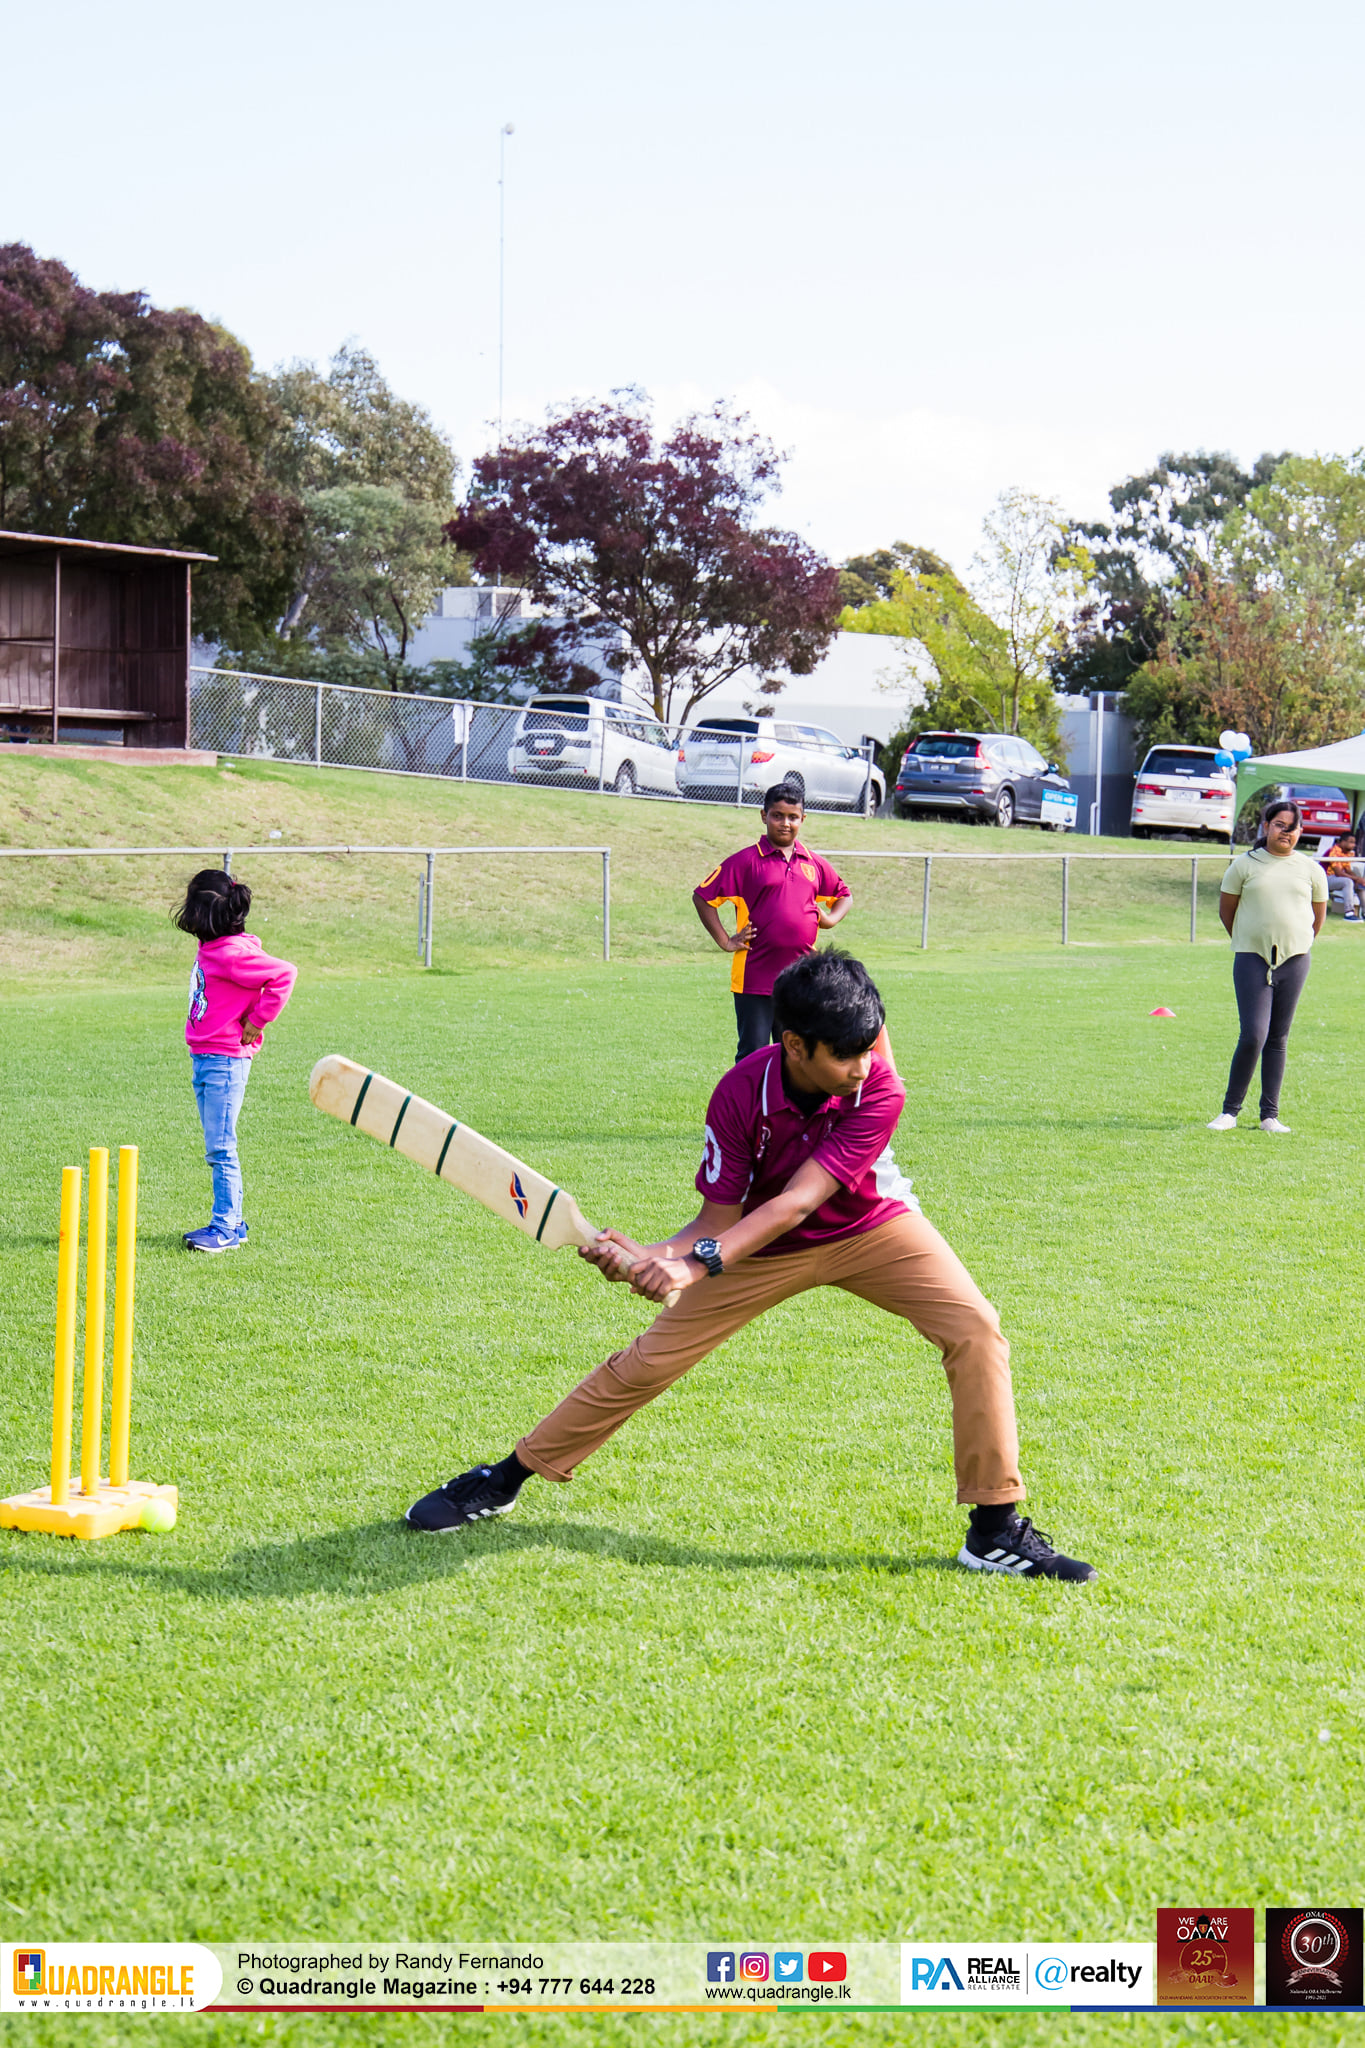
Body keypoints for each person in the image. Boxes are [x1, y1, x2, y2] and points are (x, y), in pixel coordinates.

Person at [407, 949, 1096, 1582]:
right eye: (845, 1054)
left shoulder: (878, 1086)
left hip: (870, 1227)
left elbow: (798, 1201)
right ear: (793, 1045)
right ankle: (504, 1477)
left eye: (869, 1044)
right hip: (758, 1250)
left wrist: (690, 1266)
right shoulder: (738, 1095)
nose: (863, 1065)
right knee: (644, 1364)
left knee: (976, 1328)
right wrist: (651, 1256)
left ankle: (993, 1527)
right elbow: (717, 1222)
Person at [173, 870, 298, 1252]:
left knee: (221, 1146)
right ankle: (234, 1222)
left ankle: (225, 1226)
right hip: (206, 1057)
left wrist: (256, 1020)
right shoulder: (213, 946)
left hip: (224, 1061)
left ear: (206, 913)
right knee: (218, 1144)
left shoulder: (231, 954)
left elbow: (284, 974)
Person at [693, 779, 852, 1062]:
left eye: (793, 817)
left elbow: (844, 895)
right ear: (764, 816)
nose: (785, 823)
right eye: (777, 815)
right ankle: (748, 1106)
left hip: (801, 981)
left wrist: (828, 920)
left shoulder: (812, 862)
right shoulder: (745, 862)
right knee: (752, 1056)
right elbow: (703, 897)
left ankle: (788, 1108)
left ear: (803, 819)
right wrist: (726, 941)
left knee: (796, 1056)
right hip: (754, 979)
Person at [1208, 799, 1326, 1137]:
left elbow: (1317, 918)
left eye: (1292, 827)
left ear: (1300, 832)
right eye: (1278, 824)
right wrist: (1247, 940)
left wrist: (1299, 942)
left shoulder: (1311, 869)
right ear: (1266, 826)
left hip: (1295, 959)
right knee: (1254, 1034)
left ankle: (1269, 1116)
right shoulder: (1244, 865)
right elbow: (1226, 911)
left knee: (1278, 1037)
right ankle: (1229, 1111)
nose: (1285, 832)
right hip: (1251, 957)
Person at [1322, 832, 1365, 921]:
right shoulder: (1334, 851)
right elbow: (1338, 873)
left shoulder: (1347, 853)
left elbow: (1348, 870)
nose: (1354, 845)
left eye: (1354, 842)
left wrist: (1359, 880)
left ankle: (1364, 913)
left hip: (1336, 878)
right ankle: (1349, 913)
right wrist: (1357, 878)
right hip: (1325, 878)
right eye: (1351, 842)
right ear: (1342, 842)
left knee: (1359, 883)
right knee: (1347, 881)